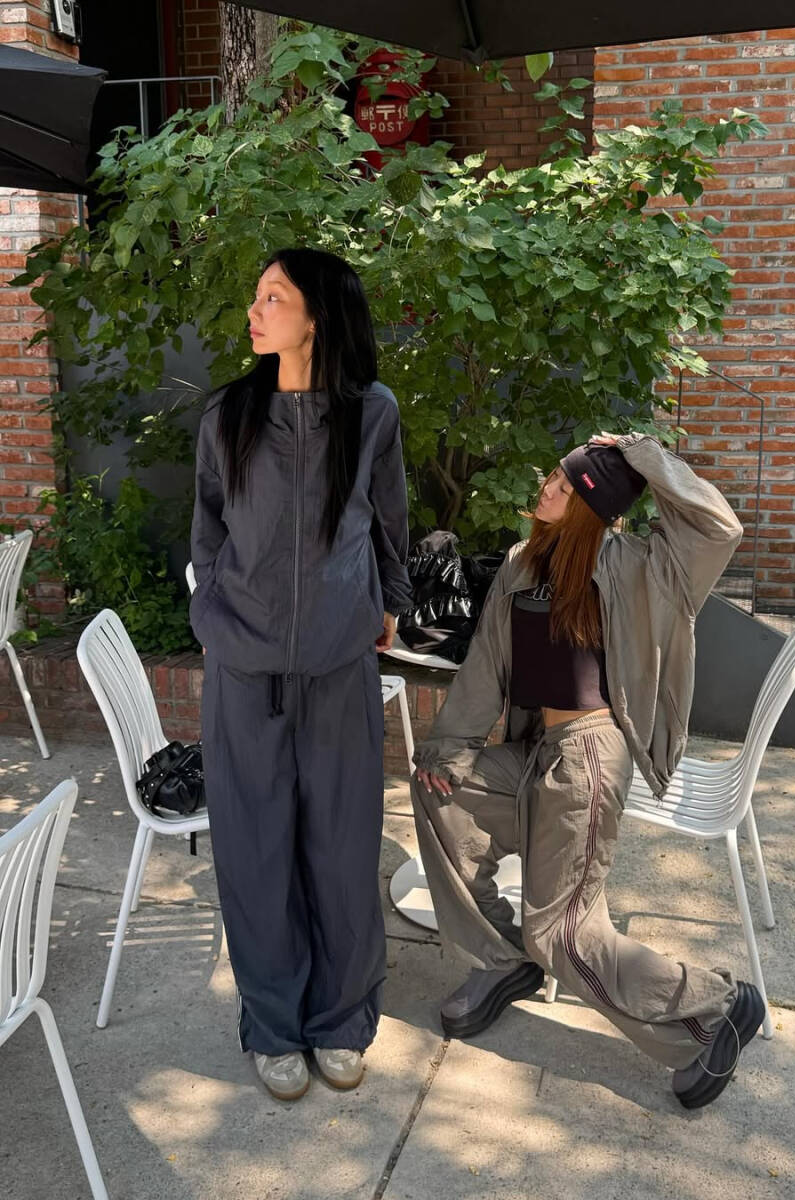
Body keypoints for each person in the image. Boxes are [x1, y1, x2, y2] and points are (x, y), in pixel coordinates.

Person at [411, 432, 765, 1109]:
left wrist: (643, 454)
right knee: (439, 791)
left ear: (594, 508)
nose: (548, 488)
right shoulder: (521, 563)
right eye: (553, 475)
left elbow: (719, 527)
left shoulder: (643, 567)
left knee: (563, 934)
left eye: (567, 486)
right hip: (536, 752)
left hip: (589, 759)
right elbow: (486, 663)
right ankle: (499, 959)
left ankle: (712, 1009)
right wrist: (450, 747)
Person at [190, 248, 412, 1100]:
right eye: (256, 297)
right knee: (255, 854)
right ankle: (274, 1025)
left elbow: (388, 521)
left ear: (316, 315)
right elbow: (208, 527)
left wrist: (388, 603)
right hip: (244, 672)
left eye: (272, 298)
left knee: (343, 849)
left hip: (337, 666)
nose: (255, 312)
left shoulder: (372, 413)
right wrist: (213, 617)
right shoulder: (228, 414)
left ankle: (342, 1019)